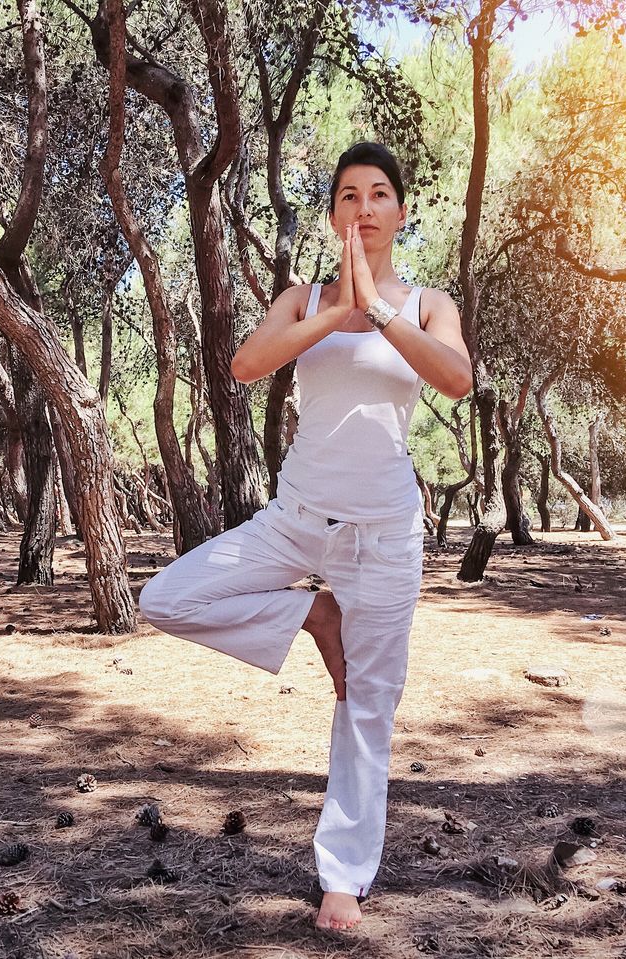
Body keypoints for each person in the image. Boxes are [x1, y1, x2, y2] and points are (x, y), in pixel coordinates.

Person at [139, 142, 473, 931]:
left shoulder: (427, 304)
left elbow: (457, 378)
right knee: (165, 596)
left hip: (384, 534)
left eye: (380, 192)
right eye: (349, 194)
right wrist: (336, 311)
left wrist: (381, 312)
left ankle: (343, 876)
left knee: (366, 702)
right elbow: (246, 365)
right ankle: (311, 616)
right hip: (293, 521)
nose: (365, 206)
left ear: (399, 211)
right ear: (332, 215)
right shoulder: (301, 297)